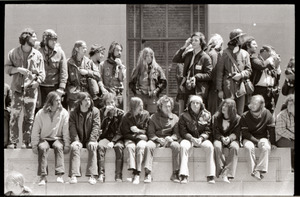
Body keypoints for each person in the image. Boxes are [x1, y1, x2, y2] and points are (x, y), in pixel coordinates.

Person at [5, 28, 45, 149]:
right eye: (34, 36)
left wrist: (37, 82)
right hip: (16, 90)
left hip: (31, 91)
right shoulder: (13, 53)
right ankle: (13, 142)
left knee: (29, 118)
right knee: (14, 116)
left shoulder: (38, 55)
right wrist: (18, 69)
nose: (36, 39)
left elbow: (42, 73)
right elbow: (6, 68)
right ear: (26, 38)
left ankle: (26, 142)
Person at [31, 91, 70, 186]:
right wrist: (34, 145)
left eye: (59, 99)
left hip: (58, 138)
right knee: (42, 148)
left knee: (58, 147)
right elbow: (35, 130)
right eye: (56, 100)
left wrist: (67, 145)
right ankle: (43, 177)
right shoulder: (40, 113)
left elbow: (66, 130)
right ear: (50, 101)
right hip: (44, 139)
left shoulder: (64, 112)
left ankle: (60, 175)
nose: (59, 101)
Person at [178, 95, 216, 184]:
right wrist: (191, 138)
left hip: (201, 139)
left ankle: (210, 176)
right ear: (189, 104)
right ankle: (184, 175)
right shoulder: (184, 115)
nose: (195, 105)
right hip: (189, 139)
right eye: (193, 103)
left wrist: (201, 138)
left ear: (201, 104)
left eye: (197, 103)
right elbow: (182, 131)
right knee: (183, 146)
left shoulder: (207, 114)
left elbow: (208, 130)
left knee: (210, 147)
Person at [144, 95, 181, 183]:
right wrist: (157, 139)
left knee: (176, 146)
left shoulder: (175, 118)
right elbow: (150, 133)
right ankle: (148, 173)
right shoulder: (153, 117)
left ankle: (175, 173)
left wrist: (171, 138)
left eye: (169, 106)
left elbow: (177, 134)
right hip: (156, 140)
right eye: (165, 106)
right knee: (148, 146)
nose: (168, 108)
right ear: (160, 107)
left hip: (169, 140)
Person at [216, 28, 252, 115]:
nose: (243, 39)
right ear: (235, 39)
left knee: (239, 113)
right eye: (241, 37)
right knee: (228, 113)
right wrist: (219, 90)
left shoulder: (245, 54)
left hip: (241, 89)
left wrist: (241, 75)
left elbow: (249, 70)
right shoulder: (223, 53)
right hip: (227, 88)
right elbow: (219, 73)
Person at [241, 95, 277, 180]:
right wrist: (256, 142)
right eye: (251, 103)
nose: (252, 105)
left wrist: (273, 143)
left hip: (262, 137)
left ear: (261, 105)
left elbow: (271, 130)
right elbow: (245, 133)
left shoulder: (267, 114)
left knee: (266, 147)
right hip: (248, 138)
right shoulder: (244, 116)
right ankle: (253, 171)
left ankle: (259, 170)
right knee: (249, 147)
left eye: (255, 103)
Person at [172, 32, 212, 108]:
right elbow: (175, 59)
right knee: (187, 112)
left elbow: (209, 74)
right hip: (187, 88)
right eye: (192, 40)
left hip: (198, 90)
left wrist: (196, 76)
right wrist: (185, 46)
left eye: (196, 40)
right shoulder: (189, 54)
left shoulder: (205, 57)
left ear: (201, 42)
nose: (193, 42)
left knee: (197, 111)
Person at [68, 92, 100, 185]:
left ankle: (92, 175)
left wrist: (93, 140)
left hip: (90, 139)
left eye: (89, 99)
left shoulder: (95, 111)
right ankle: (74, 175)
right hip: (79, 138)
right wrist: (75, 140)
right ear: (80, 101)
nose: (88, 101)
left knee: (92, 147)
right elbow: (72, 127)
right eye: (85, 99)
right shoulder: (74, 112)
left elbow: (96, 126)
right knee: (74, 148)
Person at [242, 39, 281, 114]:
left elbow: (277, 78)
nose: (274, 55)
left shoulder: (269, 63)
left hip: (269, 91)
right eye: (272, 53)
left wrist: (277, 66)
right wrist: (271, 58)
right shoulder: (254, 58)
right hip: (258, 90)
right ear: (265, 51)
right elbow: (261, 66)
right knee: (257, 111)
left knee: (269, 112)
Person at [120, 97, 150, 184]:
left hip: (142, 137)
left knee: (141, 147)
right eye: (139, 106)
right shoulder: (126, 117)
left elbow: (146, 130)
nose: (141, 108)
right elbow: (125, 133)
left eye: (142, 105)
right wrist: (138, 136)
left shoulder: (146, 114)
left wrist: (138, 131)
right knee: (130, 147)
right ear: (133, 107)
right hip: (131, 138)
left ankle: (137, 173)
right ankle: (131, 172)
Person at [129, 47, 167, 114]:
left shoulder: (157, 68)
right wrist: (136, 91)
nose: (149, 58)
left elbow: (163, 82)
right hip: (140, 96)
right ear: (143, 57)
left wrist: (156, 91)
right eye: (147, 56)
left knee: (152, 116)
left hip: (152, 97)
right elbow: (131, 83)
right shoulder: (137, 69)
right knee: (139, 115)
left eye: (151, 56)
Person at [97, 92, 125, 182]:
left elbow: (121, 130)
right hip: (105, 137)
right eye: (108, 103)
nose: (111, 105)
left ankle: (118, 175)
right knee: (100, 146)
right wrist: (105, 115)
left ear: (115, 102)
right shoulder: (101, 112)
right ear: (105, 104)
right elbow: (98, 128)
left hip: (118, 138)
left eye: (112, 102)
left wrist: (113, 141)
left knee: (119, 147)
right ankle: (101, 174)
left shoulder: (121, 114)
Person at [66, 40, 101, 110]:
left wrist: (87, 72)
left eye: (86, 48)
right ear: (77, 49)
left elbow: (98, 75)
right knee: (74, 116)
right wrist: (69, 88)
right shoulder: (69, 62)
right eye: (83, 48)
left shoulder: (88, 62)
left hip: (86, 95)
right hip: (74, 96)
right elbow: (64, 77)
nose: (85, 50)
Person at [212, 98, 240, 183]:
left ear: (231, 108)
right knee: (217, 146)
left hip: (232, 139)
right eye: (223, 105)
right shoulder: (216, 117)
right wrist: (221, 138)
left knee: (235, 147)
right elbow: (215, 132)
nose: (223, 107)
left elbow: (237, 132)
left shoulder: (237, 118)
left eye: (227, 106)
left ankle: (227, 173)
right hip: (219, 138)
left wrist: (230, 138)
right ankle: (221, 171)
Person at [38, 29, 68, 109]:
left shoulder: (60, 53)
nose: (54, 42)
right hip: (40, 88)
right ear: (45, 40)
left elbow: (63, 72)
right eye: (52, 40)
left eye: (55, 40)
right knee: (40, 111)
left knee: (55, 110)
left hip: (55, 88)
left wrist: (61, 88)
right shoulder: (37, 52)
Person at [99, 41, 126, 109]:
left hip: (118, 94)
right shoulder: (103, 65)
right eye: (117, 50)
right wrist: (103, 90)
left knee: (119, 116)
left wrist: (120, 67)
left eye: (120, 51)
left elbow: (121, 79)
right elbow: (99, 79)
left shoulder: (121, 66)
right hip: (108, 94)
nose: (119, 53)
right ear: (112, 51)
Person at [206, 33, 224, 115]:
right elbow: (215, 72)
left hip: (211, 88)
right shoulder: (214, 54)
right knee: (214, 111)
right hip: (214, 89)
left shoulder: (209, 53)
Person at [275, 94, 294, 171]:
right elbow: (280, 129)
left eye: (291, 104)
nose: (289, 106)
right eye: (288, 104)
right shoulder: (282, 114)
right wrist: (293, 136)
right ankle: (291, 167)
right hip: (282, 138)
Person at [89, 44, 107, 108]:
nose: (102, 56)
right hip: (90, 96)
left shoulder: (100, 65)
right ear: (96, 52)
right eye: (101, 53)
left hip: (99, 96)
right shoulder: (87, 63)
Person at [4, 83, 12, 148]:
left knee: (5, 141)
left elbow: (10, 102)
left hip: (4, 114)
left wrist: (8, 109)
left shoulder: (6, 87)